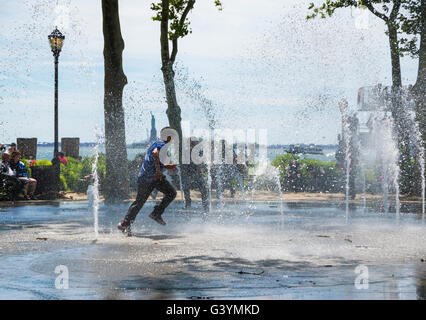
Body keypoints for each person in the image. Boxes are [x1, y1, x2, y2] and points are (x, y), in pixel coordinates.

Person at [117, 127, 177, 235]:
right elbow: (155, 153)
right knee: (171, 193)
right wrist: (159, 171)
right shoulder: (162, 144)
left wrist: (167, 166)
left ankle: (125, 223)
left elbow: (153, 158)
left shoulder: (156, 142)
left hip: (144, 177)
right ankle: (156, 213)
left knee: (139, 202)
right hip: (154, 177)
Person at [182, 137, 209, 213]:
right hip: (190, 171)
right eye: (196, 142)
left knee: (203, 189)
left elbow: (200, 161)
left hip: (195, 172)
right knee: (188, 188)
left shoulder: (198, 150)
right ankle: (189, 203)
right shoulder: (188, 151)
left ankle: (204, 205)